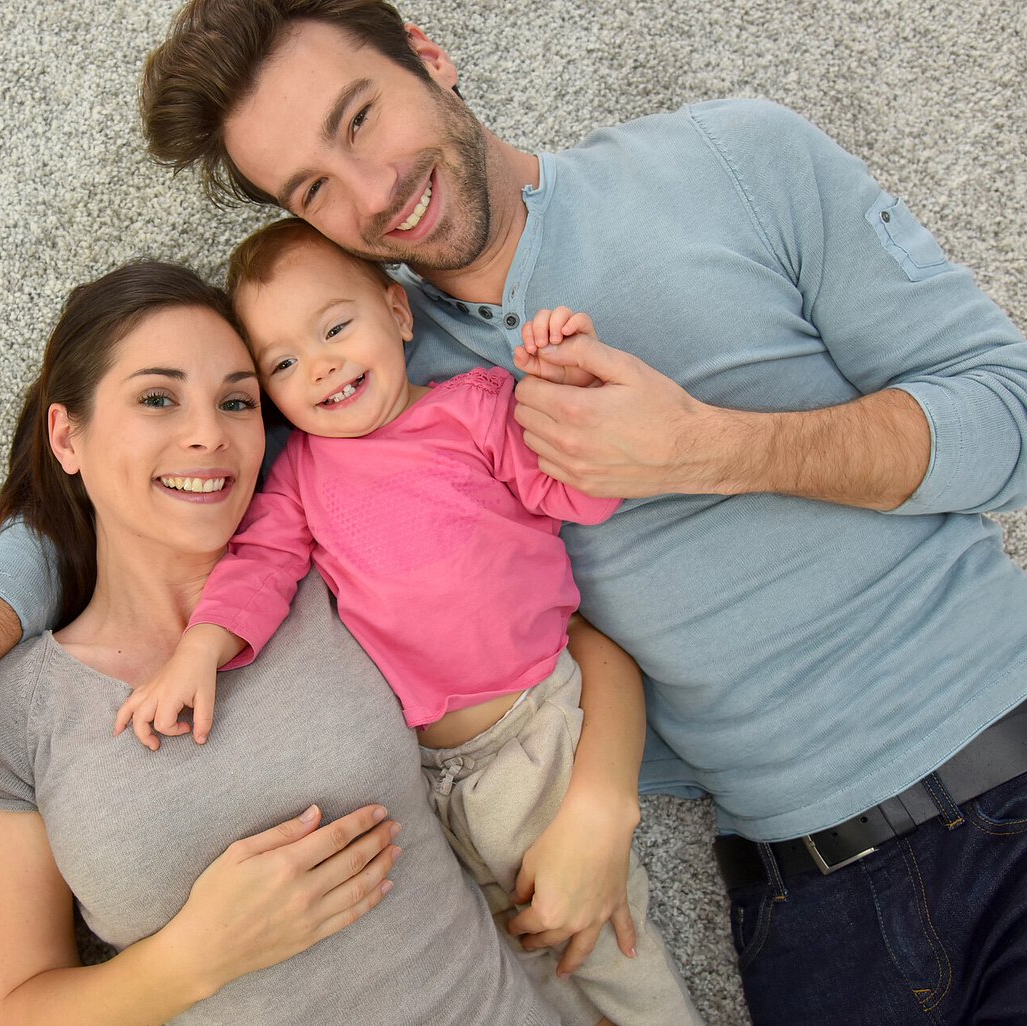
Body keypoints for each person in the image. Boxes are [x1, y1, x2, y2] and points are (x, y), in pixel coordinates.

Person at [0, 2, 1027, 1022]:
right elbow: (96, 509)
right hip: (801, 901)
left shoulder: (733, 159)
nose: (371, 193)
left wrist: (709, 446)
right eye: (313, 187)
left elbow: (1020, 423)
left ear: (429, 54)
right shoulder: (355, 376)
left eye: (359, 119)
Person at [0, 259, 556, 1024]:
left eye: (237, 401)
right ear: (66, 436)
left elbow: (547, 638)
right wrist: (194, 959)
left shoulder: (328, 565)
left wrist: (602, 808)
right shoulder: (14, 711)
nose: (208, 435)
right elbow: (22, 1007)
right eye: (158, 398)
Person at [112, 219, 699, 1026]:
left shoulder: (476, 411)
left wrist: (572, 390)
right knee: (527, 975)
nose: (320, 366)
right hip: (426, 783)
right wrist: (200, 651)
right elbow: (259, 567)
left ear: (397, 312)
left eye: (334, 328)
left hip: (534, 735)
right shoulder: (298, 475)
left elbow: (581, 488)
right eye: (283, 364)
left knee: (602, 949)